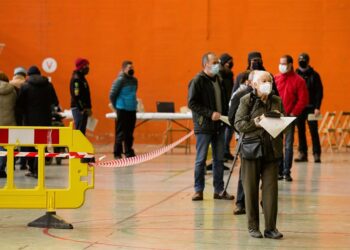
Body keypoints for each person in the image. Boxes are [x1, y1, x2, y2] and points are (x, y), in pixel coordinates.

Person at [235, 70, 284, 239]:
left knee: (271, 191)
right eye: (263, 81)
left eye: (269, 80)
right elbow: (239, 123)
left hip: (271, 150)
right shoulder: (246, 100)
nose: (267, 83)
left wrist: (281, 119)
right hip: (251, 150)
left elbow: (284, 123)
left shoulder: (277, 100)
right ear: (254, 84)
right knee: (250, 190)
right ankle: (253, 226)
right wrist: (255, 123)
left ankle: (271, 228)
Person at [188, 52, 234, 201]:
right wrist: (209, 113)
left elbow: (224, 99)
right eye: (214, 62)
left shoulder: (219, 79)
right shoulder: (197, 81)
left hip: (219, 125)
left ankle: (219, 190)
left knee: (219, 159)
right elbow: (192, 103)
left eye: (218, 62)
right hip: (204, 125)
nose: (217, 65)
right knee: (201, 159)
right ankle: (198, 190)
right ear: (205, 64)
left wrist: (226, 116)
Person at [16, 66, 59, 178]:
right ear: (40, 74)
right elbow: (55, 101)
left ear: (28, 75)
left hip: (29, 121)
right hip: (45, 120)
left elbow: (19, 105)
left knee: (29, 145)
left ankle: (31, 169)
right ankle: (38, 169)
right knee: (41, 145)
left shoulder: (25, 86)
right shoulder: (49, 85)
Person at [274, 55, 309, 181]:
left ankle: (286, 171)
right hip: (276, 118)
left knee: (288, 145)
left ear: (290, 64)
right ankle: (278, 170)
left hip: (289, 117)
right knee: (277, 145)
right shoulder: (275, 78)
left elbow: (303, 99)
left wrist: (294, 112)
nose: (282, 65)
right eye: (280, 63)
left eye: (284, 63)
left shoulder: (299, 80)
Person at [228, 70, 254, 215]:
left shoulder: (271, 97)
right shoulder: (239, 96)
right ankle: (240, 202)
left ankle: (262, 202)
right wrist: (240, 131)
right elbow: (232, 118)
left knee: (266, 174)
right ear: (249, 82)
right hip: (245, 138)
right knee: (245, 171)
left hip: (265, 139)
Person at [295, 53, 323, 163]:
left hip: (312, 108)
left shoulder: (315, 75)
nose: (302, 61)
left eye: (304, 60)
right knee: (300, 131)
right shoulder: (295, 75)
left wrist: (317, 107)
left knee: (313, 131)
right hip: (299, 108)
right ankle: (303, 153)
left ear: (308, 61)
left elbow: (319, 92)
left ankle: (316, 154)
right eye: (300, 59)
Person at [109, 60, 138, 159]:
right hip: (122, 109)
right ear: (124, 69)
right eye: (130, 68)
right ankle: (117, 152)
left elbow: (134, 94)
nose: (132, 70)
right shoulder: (119, 80)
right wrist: (116, 106)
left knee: (130, 132)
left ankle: (128, 151)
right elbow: (112, 95)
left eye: (132, 68)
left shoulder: (135, 81)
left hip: (132, 109)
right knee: (120, 132)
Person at [218, 53, 235, 161]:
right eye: (229, 61)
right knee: (224, 129)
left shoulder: (229, 74)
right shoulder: (220, 73)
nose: (231, 63)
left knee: (230, 127)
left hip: (229, 103)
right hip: (222, 104)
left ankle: (226, 150)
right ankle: (223, 151)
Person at [0, 72, 17, 178]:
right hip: (9, 122)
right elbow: (16, 104)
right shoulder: (13, 90)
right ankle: (2, 167)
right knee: (6, 147)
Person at [70, 58, 92, 135]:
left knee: (82, 131)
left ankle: (80, 147)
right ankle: (77, 147)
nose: (88, 67)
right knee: (79, 132)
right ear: (81, 67)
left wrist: (89, 107)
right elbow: (76, 96)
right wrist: (81, 108)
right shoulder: (77, 79)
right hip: (78, 109)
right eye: (86, 65)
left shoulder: (82, 78)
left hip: (83, 109)